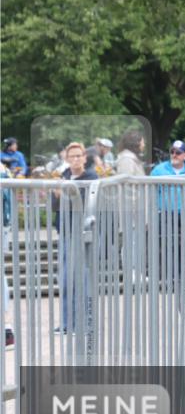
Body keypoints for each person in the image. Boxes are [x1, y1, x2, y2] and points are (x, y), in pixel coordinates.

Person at [52, 142, 99, 333]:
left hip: (82, 234)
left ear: (84, 158)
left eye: (79, 155)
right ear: (67, 159)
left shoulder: (91, 178)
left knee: (82, 279)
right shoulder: (64, 177)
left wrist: (64, 194)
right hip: (65, 233)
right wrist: (56, 195)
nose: (76, 159)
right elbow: (55, 207)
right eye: (72, 156)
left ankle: (84, 323)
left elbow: (84, 206)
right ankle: (66, 323)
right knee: (64, 279)